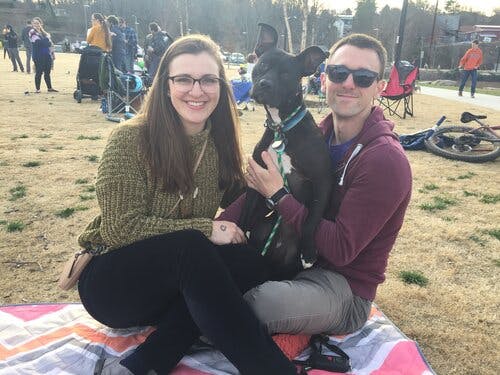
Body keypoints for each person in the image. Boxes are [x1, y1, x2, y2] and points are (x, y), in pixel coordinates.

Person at [77, 34, 299, 375]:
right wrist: (206, 227)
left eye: (208, 80)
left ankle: (145, 363)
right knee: (192, 245)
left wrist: (283, 191)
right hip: (113, 284)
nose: (197, 91)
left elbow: (245, 202)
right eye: (184, 79)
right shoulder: (130, 138)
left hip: (172, 290)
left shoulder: (219, 145)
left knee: (249, 261)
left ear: (221, 87)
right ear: (165, 84)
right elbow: (121, 229)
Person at [218, 33, 412, 336]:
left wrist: (279, 195)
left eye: (363, 77)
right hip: (291, 260)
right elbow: (258, 187)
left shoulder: (384, 160)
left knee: (258, 303)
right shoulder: (312, 135)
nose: (348, 83)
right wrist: (216, 227)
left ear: (380, 88)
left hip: (342, 286)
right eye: (338, 73)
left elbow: (341, 250)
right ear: (323, 80)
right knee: (214, 270)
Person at [30, 18, 57, 93]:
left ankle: (49, 88)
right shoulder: (32, 32)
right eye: (35, 23)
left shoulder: (44, 33)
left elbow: (49, 44)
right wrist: (46, 41)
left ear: (41, 24)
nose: (37, 25)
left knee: (47, 72)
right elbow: (38, 43)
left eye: (38, 23)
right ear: (32, 24)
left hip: (46, 54)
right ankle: (38, 89)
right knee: (39, 72)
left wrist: (46, 43)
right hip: (38, 55)